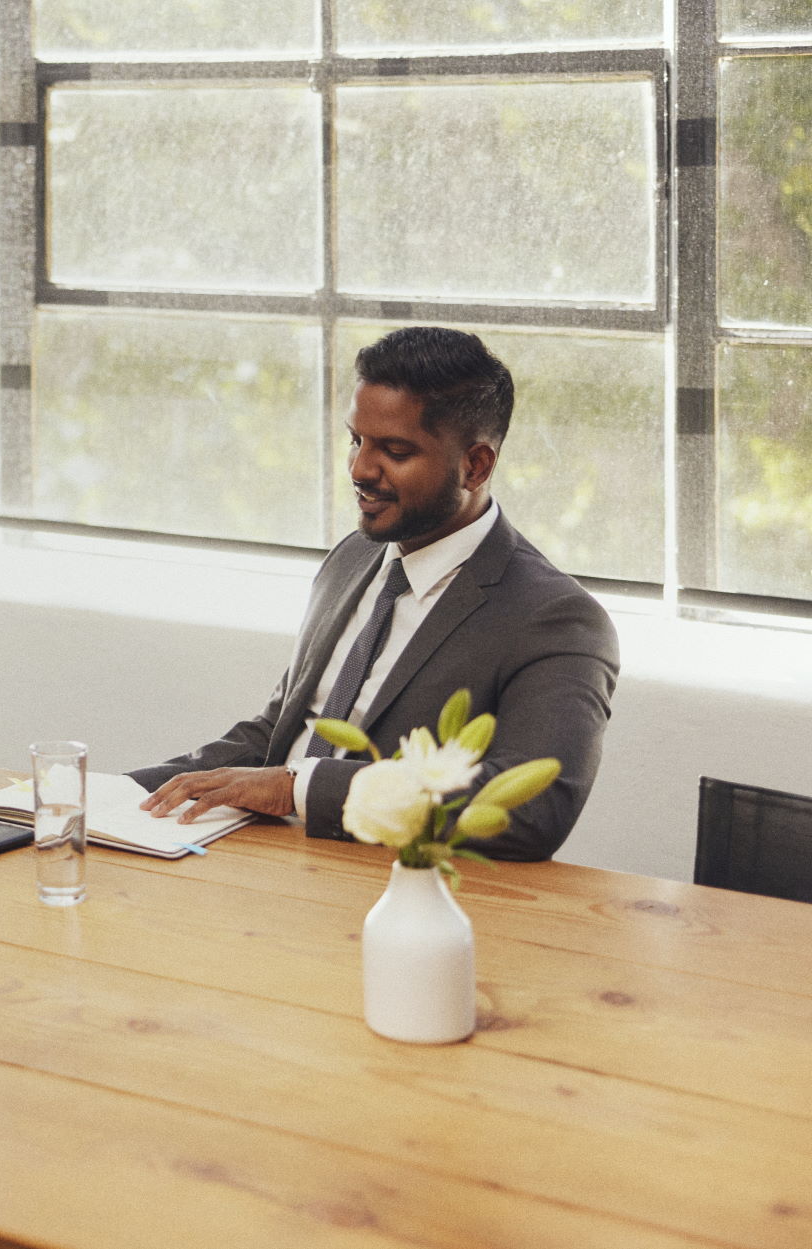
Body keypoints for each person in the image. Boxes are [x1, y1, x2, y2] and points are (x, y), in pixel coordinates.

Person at [129, 327, 620, 862]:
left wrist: (296, 789)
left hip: (396, 886)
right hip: (263, 856)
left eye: (395, 450)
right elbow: (279, 730)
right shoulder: (352, 558)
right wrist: (115, 792)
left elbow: (533, 811)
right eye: (356, 440)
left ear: (475, 465)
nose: (360, 469)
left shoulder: (555, 619)